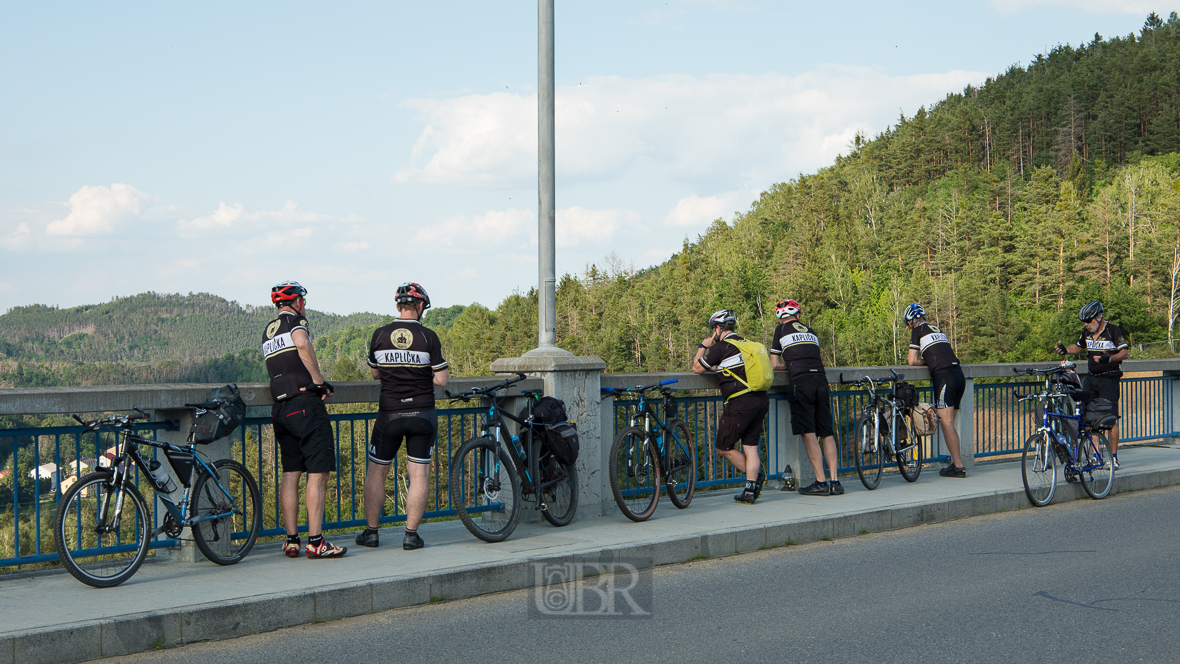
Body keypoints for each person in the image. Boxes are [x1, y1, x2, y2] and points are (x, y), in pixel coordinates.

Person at [355, 283, 449, 551]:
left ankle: (371, 533)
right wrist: (423, 372)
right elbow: (441, 379)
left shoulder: (380, 334)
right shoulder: (428, 336)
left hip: (390, 415)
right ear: (420, 306)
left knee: (376, 473)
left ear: (398, 306)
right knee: (418, 475)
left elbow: (375, 374)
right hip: (422, 413)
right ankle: (410, 535)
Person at [263, 281, 346, 559]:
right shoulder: (296, 321)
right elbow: (301, 343)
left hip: (280, 408)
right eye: (303, 300)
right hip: (305, 406)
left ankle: (291, 540)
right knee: (318, 473)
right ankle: (316, 542)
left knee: (290, 473)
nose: (304, 305)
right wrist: (319, 382)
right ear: (297, 302)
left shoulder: (269, 331)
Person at [691, 309, 770, 504]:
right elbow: (721, 367)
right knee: (750, 446)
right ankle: (749, 491)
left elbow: (696, 368)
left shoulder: (721, 347)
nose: (713, 334)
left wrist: (703, 345)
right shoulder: (745, 344)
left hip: (741, 403)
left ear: (718, 328)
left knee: (723, 446)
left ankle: (756, 477)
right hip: (761, 399)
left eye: (713, 330)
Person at [769, 299, 842, 496]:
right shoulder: (811, 331)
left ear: (781, 318)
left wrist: (791, 364)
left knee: (808, 433)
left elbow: (774, 364)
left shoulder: (781, 331)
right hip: (821, 381)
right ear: (798, 315)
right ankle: (835, 482)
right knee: (826, 432)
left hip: (801, 383)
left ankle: (820, 482)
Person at [1055, 300, 1128, 469]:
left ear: (1099, 317)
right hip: (1091, 379)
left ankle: (1114, 458)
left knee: (1110, 418)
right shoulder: (1087, 333)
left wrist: (1109, 357)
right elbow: (1079, 347)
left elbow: (1124, 352)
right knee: (1088, 419)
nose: (1086, 324)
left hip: (1109, 379)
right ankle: (1095, 456)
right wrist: (1066, 349)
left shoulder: (1113, 331)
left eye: (1089, 321)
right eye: (1084, 322)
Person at [904, 303, 968, 478]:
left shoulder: (917, 331)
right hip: (958, 375)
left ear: (910, 322)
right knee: (950, 425)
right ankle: (956, 464)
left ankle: (958, 466)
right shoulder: (936, 329)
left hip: (944, 377)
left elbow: (912, 360)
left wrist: (926, 361)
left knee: (946, 424)